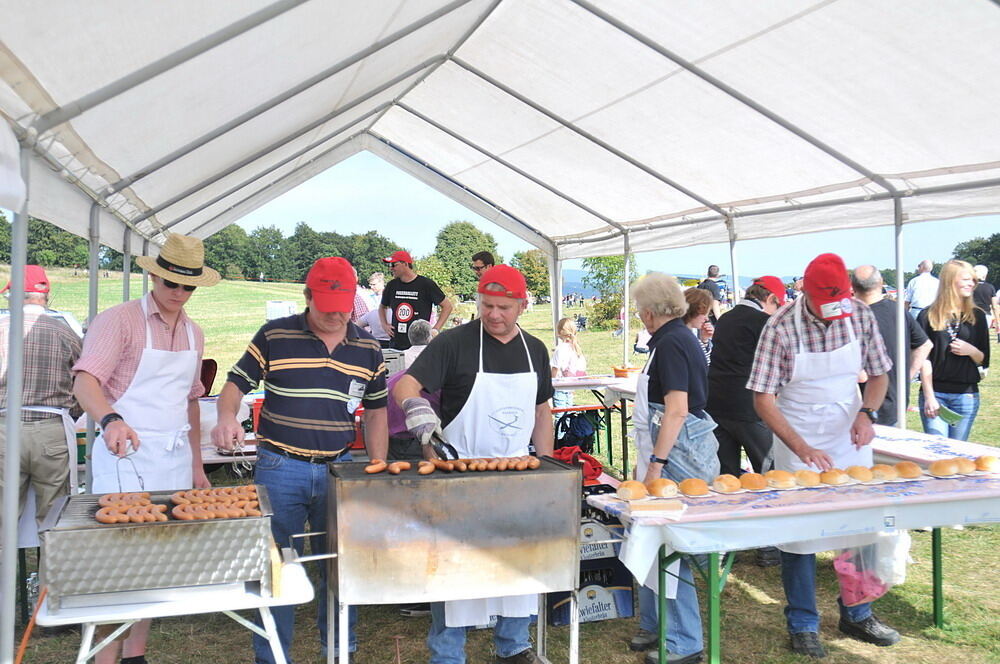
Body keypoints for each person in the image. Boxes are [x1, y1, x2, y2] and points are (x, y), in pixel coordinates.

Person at [212, 256, 389, 664]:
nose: (335, 316)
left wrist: (377, 465)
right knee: (277, 565)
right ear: (307, 296)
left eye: (342, 308)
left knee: (341, 564)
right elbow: (236, 384)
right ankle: (273, 656)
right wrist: (225, 417)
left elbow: (377, 412)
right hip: (280, 466)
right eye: (326, 307)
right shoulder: (275, 335)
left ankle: (339, 651)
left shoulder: (368, 348)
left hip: (339, 469)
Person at [393, 264, 554, 664]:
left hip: (517, 473)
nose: (494, 315)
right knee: (453, 567)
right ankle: (447, 655)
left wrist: (546, 464)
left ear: (522, 305)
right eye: (487, 305)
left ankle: (513, 646)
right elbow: (406, 384)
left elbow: (542, 411)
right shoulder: (454, 343)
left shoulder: (535, 349)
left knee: (517, 562)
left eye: (503, 307)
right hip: (459, 472)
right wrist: (417, 413)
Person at [73, 234, 219, 664]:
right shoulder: (118, 321)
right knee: (116, 567)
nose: (179, 293)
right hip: (125, 456)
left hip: (173, 459)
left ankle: (135, 654)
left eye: (188, 286)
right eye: (172, 283)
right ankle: (105, 657)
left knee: (156, 561)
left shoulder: (194, 333)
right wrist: (110, 419)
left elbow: (191, 401)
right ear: (154, 276)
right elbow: (85, 381)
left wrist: (197, 466)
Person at [748, 253, 897, 659]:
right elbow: (763, 399)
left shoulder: (860, 315)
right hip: (798, 434)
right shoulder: (780, 327)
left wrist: (867, 413)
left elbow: (879, 373)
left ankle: (858, 611)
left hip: (850, 433)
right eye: (826, 303)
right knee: (801, 536)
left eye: (840, 301)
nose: (835, 310)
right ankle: (802, 622)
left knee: (861, 526)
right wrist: (800, 446)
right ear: (807, 294)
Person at [626, 273, 719, 664]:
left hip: (678, 453)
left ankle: (684, 642)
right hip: (666, 447)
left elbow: (677, 411)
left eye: (639, 310)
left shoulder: (672, 343)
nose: (639, 315)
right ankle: (655, 623)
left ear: (649, 312)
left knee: (670, 546)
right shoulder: (670, 339)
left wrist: (656, 465)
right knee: (652, 539)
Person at [0, 265, 82, 532]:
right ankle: (51, 558)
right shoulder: (65, 332)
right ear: (45, 296)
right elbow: (84, 381)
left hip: (4, 427)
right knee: (54, 515)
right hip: (51, 429)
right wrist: (73, 411)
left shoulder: (1, 328)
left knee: (3, 514)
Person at [706, 276, 785, 477]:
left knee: (726, 478)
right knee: (771, 474)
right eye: (777, 306)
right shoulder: (764, 322)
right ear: (771, 299)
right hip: (750, 406)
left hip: (716, 403)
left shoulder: (725, 318)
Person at [916, 259, 990, 442]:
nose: (971, 284)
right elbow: (923, 360)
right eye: (966, 279)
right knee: (936, 449)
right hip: (936, 394)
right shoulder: (927, 316)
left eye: (973, 280)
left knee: (958, 451)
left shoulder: (977, 316)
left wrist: (971, 350)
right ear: (950, 281)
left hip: (966, 395)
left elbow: (984, 359)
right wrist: (929, 397)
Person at [851, 265, 932, 427]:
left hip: (866, 405)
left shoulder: (855, 317)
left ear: (853, 287)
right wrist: (907, 376)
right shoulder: (898, 311)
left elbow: (860, 374)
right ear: (881, 282)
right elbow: (925, 345)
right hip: (895, 400)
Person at [380, 249, 453, 350]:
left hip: (420, 345)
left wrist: (436, 329)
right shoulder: (391, 285)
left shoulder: (426, 284)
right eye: (390, 265)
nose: (391, 268)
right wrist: (384, 324)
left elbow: (447, 306)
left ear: (405, 264)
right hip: (396, 343)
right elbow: (382, 307)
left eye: (394, 265)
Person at [551, 317, 587, 410]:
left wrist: (551, 383)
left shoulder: (560, 349)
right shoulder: (575, 348)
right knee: (569, 412)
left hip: (559, 386)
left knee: (560, 413)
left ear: (560, 332)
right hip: (571, 385)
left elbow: (555, 368)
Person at [682, 288, 714, 364]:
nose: (706, 318)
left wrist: (704, 340)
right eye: (704, 313)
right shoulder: (684, 337)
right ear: (695, 311)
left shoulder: (685, 334)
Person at [972, 264, 999, 331]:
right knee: (983, 336)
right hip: (986, 315)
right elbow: (994, 307)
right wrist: (997, 321)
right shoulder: (990, 287)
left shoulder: (970, 286)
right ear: (985, 275)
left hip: (971, 314)